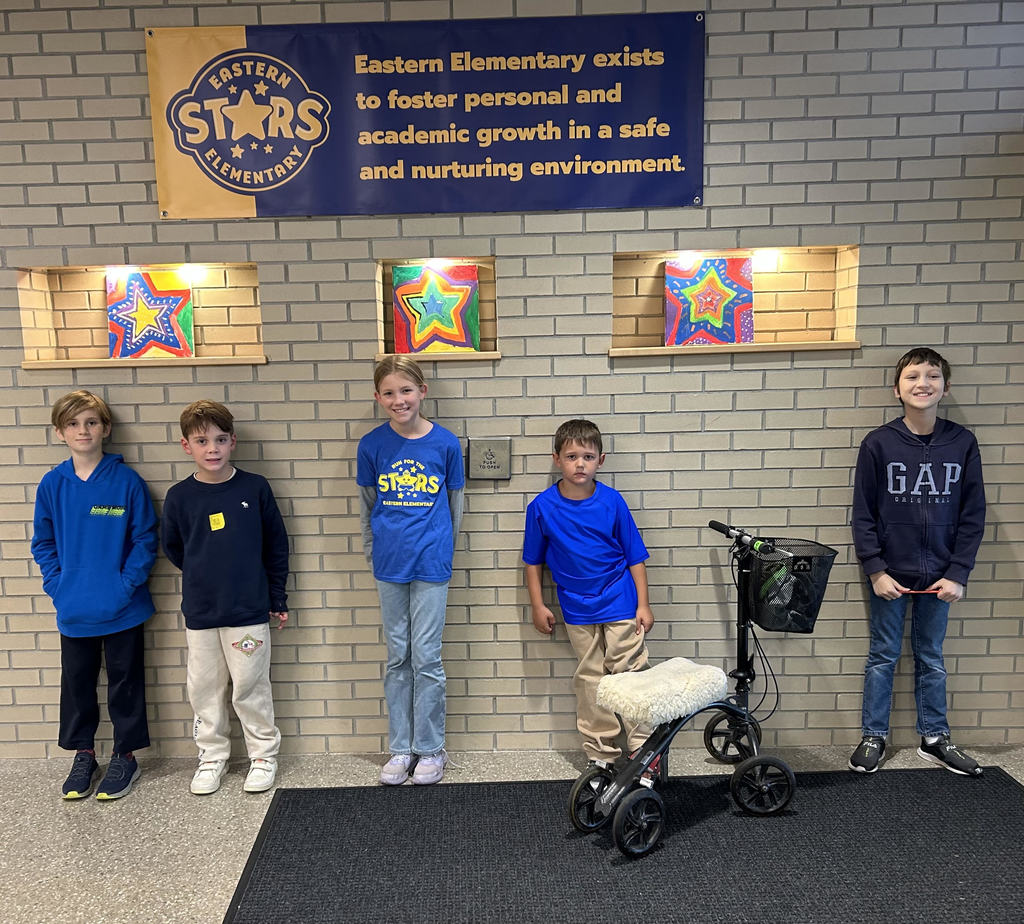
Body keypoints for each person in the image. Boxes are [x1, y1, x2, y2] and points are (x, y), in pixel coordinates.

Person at [849, 347, 986, 776]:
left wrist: (958, 573)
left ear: (946, 387)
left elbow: (972, 513)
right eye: (912, 377)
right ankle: (874, 735)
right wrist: (875, 569)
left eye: (932, 376)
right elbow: (863, 513)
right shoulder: (879, 443)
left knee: (931, 656)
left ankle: (935, 737)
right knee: (883, 655)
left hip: (941, 577)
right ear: (897, 388)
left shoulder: (961, 442)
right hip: (891, 575)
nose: (922, 383)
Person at [31, 390, 158, 800]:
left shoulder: (126, 482)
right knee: (78, 684)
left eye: (90, 422)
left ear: (105, 428)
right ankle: (83, 753)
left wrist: (125, 585)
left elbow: (145, 540)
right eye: (73, 424)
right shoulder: (52, 484)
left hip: (123, 607)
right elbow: (43, 543)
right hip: (75, 608)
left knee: (125, 682)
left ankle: (126, 755)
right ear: (59, 432)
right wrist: (58, 585)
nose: (82, 430)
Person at [162, 400, 289, 795]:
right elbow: (174, 548)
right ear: (187, 446)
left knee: (250, 684)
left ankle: (263, 756)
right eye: (202, 441)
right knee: (204, 687)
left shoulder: (254, 487)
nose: (212, 448)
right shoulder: (180, 496)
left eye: (219, 439)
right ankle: (212, 757)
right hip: (201, 612)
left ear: (233, 441)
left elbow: (276, 547)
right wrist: (206, 575)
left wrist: (276, 596)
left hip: (248, 609)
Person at [357, 356, 465, 785]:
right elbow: (367, 507)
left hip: (431, 565)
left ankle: (431, 748)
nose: (398, 400)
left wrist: (443, 552)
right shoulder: (371, 445)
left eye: (406, 390)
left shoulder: (446, 444)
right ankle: (400, 749)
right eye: (389, 392)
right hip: (389, 566)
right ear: (378, 397)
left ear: (423, 391)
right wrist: (373, 552)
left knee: (428, 659)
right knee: (397, 658)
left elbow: (456, 508)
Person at [523, 419, 654, 769]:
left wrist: (643, 603)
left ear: (601, 460)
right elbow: (532, 562)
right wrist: (538, 605)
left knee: (630, 672)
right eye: (571, 456)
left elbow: (635, 557)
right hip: (576, 609)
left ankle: (644, 748)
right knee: (591, 680)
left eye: (588, 456)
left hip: (620, 601)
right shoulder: (541, 508)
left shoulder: (612, 502)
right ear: (556, 459)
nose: (580, 464)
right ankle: (601, 754)